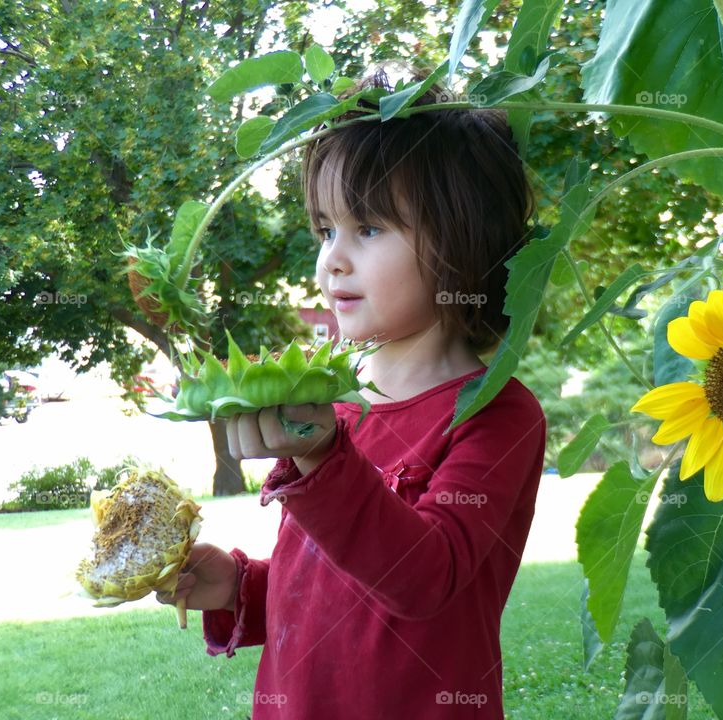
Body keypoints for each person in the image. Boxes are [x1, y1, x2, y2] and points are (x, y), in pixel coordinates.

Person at [156, 59, 547, 719]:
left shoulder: (497, 413)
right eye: (324, 228)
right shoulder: (335, 407)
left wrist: (320, 458)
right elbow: (335, 580)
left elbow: (426, 579)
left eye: (367, 228)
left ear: (462, 242)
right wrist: (242, 588)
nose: (332, 257)